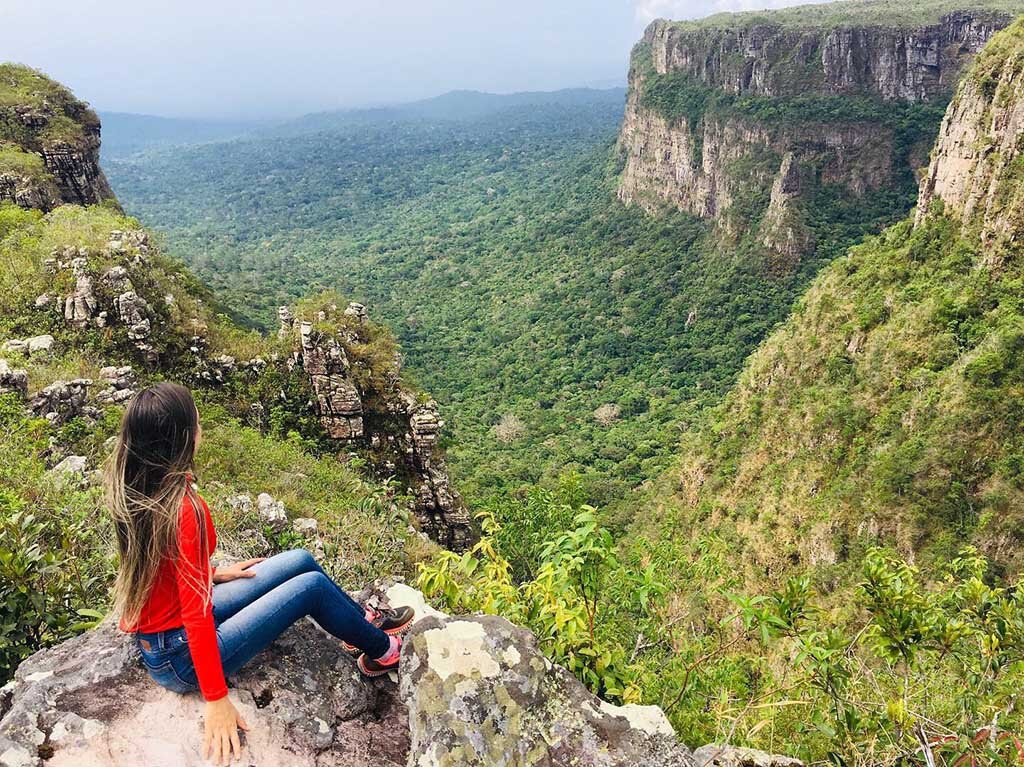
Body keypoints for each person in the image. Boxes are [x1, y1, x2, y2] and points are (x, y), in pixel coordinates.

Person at [105, 382, 414, 765]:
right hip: (180, 656)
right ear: (183, 438)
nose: (202, 424)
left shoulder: (138, 484)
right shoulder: (184, 508)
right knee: (311, 588)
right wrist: (216, 699)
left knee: (300, 558)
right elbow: (196, 613)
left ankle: (360, 625)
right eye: (196, 419)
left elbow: (160, 565)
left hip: (164, 637)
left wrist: (212, 573)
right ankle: (384, 652)